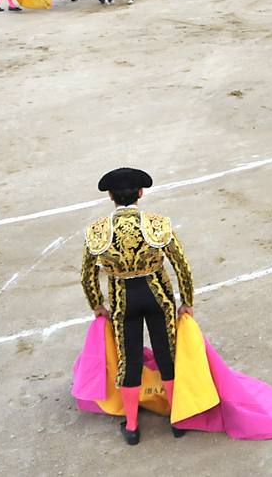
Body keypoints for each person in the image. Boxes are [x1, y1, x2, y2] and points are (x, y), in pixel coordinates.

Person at [81, 167, 194, 445]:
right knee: (166, 355)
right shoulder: (157, 224)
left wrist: (97, 304)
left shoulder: (98, 231)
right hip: (158, 296)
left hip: (124, 301)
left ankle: (131, 427)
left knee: (129, 360)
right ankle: (177, 420)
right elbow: (182, 266)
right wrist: (186, 301)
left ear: (110, 196)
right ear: (140, 193)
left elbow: (86, 275)